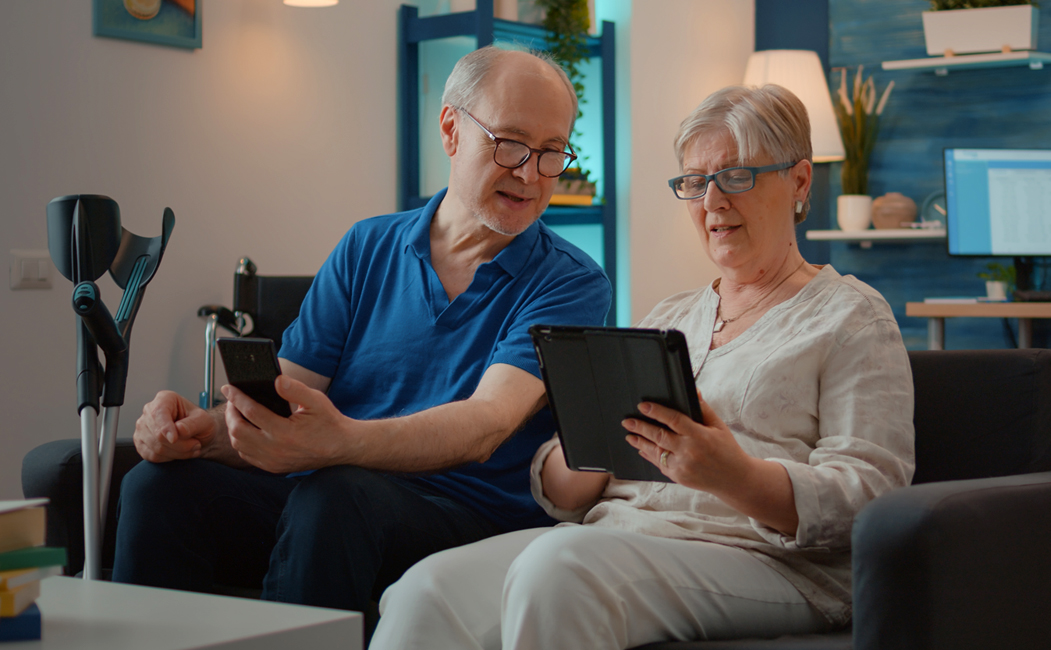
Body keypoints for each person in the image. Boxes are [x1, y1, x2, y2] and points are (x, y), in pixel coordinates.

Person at [368, 83, 917, 650]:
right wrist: (584, 453)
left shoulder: (852, 316)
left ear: (799, 181)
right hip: (619, 537)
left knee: (562, 567)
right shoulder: (670, 315)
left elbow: (871, 499)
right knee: (426, 589)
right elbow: (563, 494)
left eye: (735, 177)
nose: (712, 203)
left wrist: (736, 475)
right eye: (695, 183)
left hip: (764, 559)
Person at [111, 46, 612, 638]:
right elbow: (283, 399)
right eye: (510, 144)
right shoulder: (366, 247)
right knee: (157, 484)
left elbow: (488, 424)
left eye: (552, 152)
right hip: (329, 492)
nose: (530, 174)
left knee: (336, 494)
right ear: (451, 130)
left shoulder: (572, 281)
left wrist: (339, 443)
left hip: (462, 516)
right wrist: (193, 432)